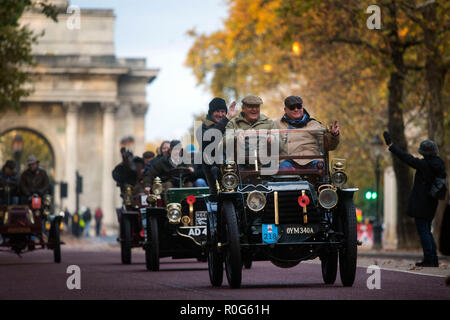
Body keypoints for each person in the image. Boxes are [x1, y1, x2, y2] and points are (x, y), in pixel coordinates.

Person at [383, 132, 446, 267]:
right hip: (432, 201)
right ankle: (432, 258)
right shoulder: (439, 164)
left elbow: (407, 158)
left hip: (422, 201)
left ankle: (429, 259)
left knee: (423, 231)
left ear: (424, 152)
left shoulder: (424, 165)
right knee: (427, 230)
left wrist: (391, 146)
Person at [274, 95, 340, 170]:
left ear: (302, 107)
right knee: (284, 169)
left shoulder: (314, 124)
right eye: (292, 107)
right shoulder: (277, 124)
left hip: (311, 160)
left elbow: (329, 146)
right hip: (288, 160)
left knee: (320, 168)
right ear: (285, 110)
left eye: (299, 106)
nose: (296, 110)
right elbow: (264, 138)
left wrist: (333, 135)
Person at [198, 97, 238, 194]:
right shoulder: (203, 127)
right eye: (217, 111)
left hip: (233, 168)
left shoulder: (231, 124)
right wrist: (227, 118)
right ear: (211, 112)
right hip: (213, 170)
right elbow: (210, 138)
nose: (220, 114)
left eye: (223, 111)